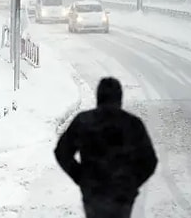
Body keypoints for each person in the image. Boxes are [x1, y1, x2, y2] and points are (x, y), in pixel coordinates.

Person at [54, 77, 158, 218]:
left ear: (98, 97)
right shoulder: (132, 124)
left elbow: (62, 152)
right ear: (120, 98)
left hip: (93, 193)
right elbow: (149, 160)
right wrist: (131, 183)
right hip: (121, 195)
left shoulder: (84, 121)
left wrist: (81, 177)